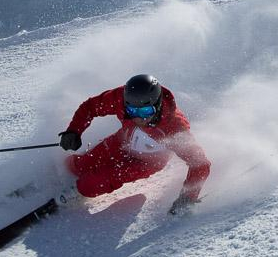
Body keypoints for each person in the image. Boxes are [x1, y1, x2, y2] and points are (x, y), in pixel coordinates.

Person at [58, 74, 211, 215]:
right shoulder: (121, 98)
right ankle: (66, 177)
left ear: (157, 105)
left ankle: (78, 192)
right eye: (132, 110)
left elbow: (200, 164)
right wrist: (74, 131)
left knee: (91, 184)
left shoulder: (174, 128)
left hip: (146, 163)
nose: (139, 118)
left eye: (145, 111)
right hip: (121, 142)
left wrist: (188, 197)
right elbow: (91, 107)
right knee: (77, 166)